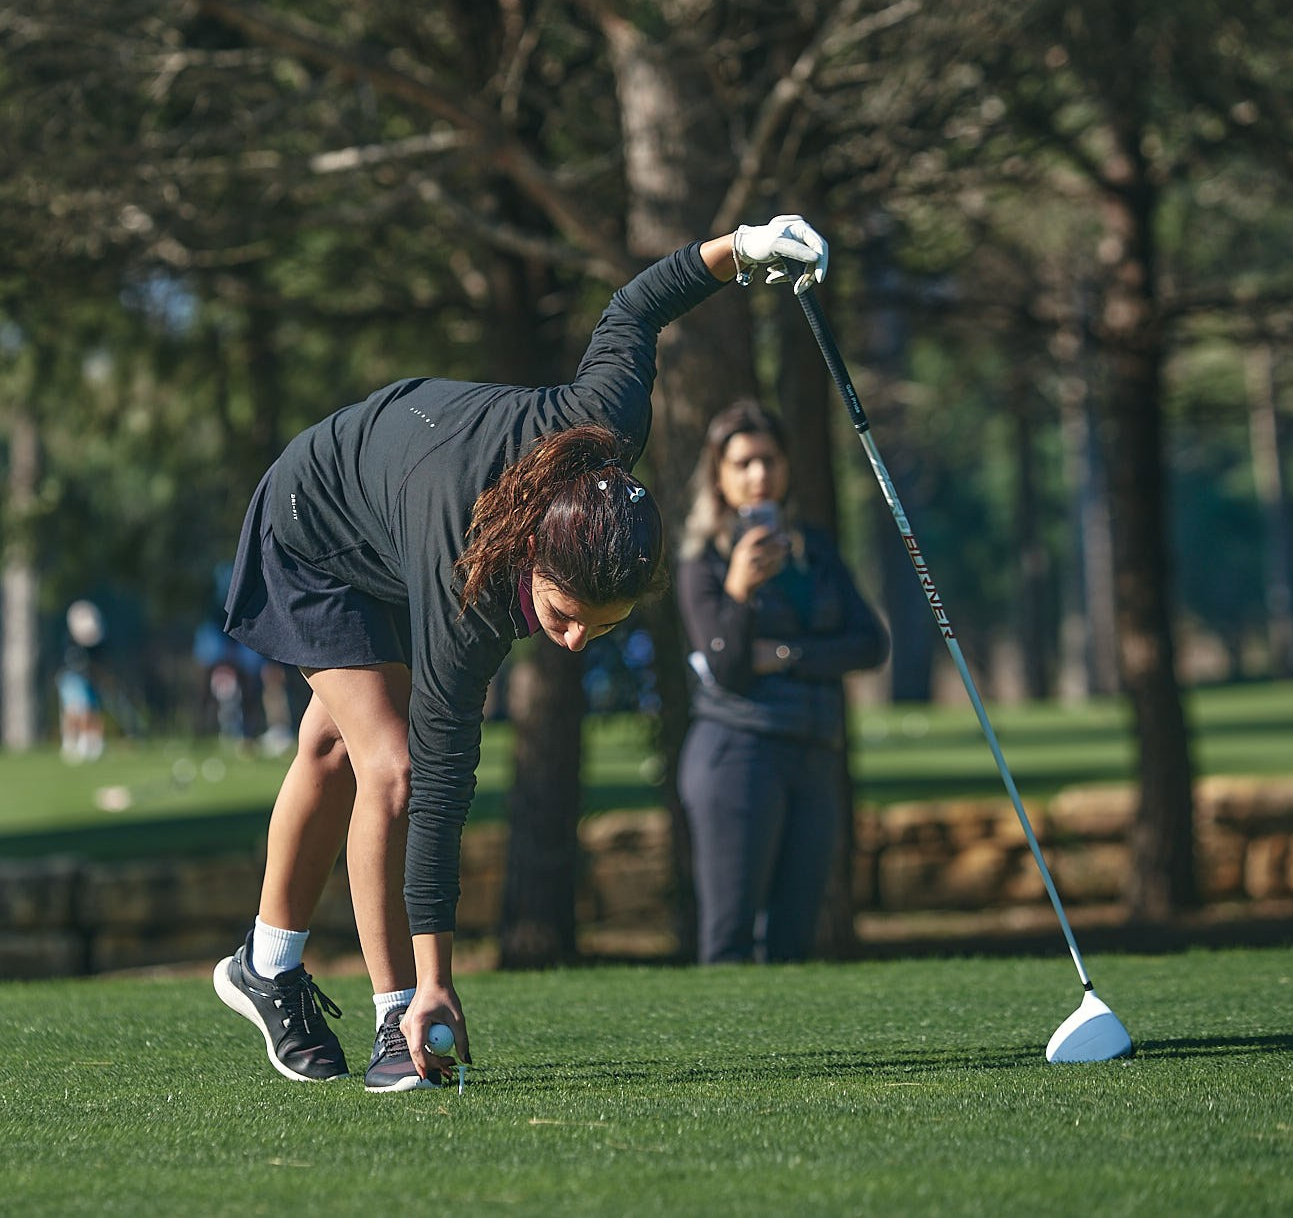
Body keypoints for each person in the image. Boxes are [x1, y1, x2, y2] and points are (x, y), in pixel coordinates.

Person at [211, 216, 831, 1093]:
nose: (573, 641)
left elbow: (635, 311)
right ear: (533, 556)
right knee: (391, 766)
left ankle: (264, 963)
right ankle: (395, 1019)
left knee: (333, 744)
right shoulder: (465, 581)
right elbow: (443, 786)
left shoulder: (605, 427)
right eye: (565, 616)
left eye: (601, 626)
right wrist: (433, 984)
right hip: (314, 524)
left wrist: (746, 248)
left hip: (390, 503)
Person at [673, 399, 888, 965]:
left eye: (768, 460)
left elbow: (870, 643)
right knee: (730, 938)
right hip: (737, 754)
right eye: (742, 463)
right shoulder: (705, 562)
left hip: (813, 752)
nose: (758, 474)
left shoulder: (814, 550)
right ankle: (727, 1054)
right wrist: (740, 590)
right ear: (718, 476)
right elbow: (727, 667)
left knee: (794, 940)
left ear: (787, 466)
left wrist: (788, 654)